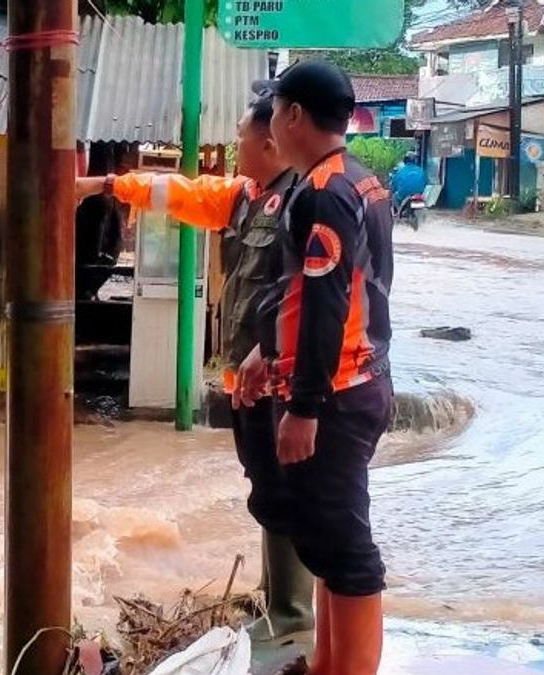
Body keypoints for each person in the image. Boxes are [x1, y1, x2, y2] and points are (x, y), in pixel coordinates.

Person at [76, 95, 316, 655]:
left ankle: (292, 611)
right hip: (246, 381)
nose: (233, 146)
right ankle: (275, 595)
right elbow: (176, 193)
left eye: (239, 137)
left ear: (269, 141)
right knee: (266, 490)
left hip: (279, 381)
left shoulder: (303, 202)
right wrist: (102, 186)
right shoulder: (243, 198)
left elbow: (315, 297)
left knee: (285, 492)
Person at [238, 59, 395, 675]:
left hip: (334, 394)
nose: (270, 121)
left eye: (275, 109)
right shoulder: (356, 179)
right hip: (359, 379)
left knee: (349, 554)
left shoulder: (326, 192)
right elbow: (316, 289)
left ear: (295, 115)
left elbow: (329, 304)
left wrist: (303, 408)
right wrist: (266, 349)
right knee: (329, 547)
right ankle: (327, 664)